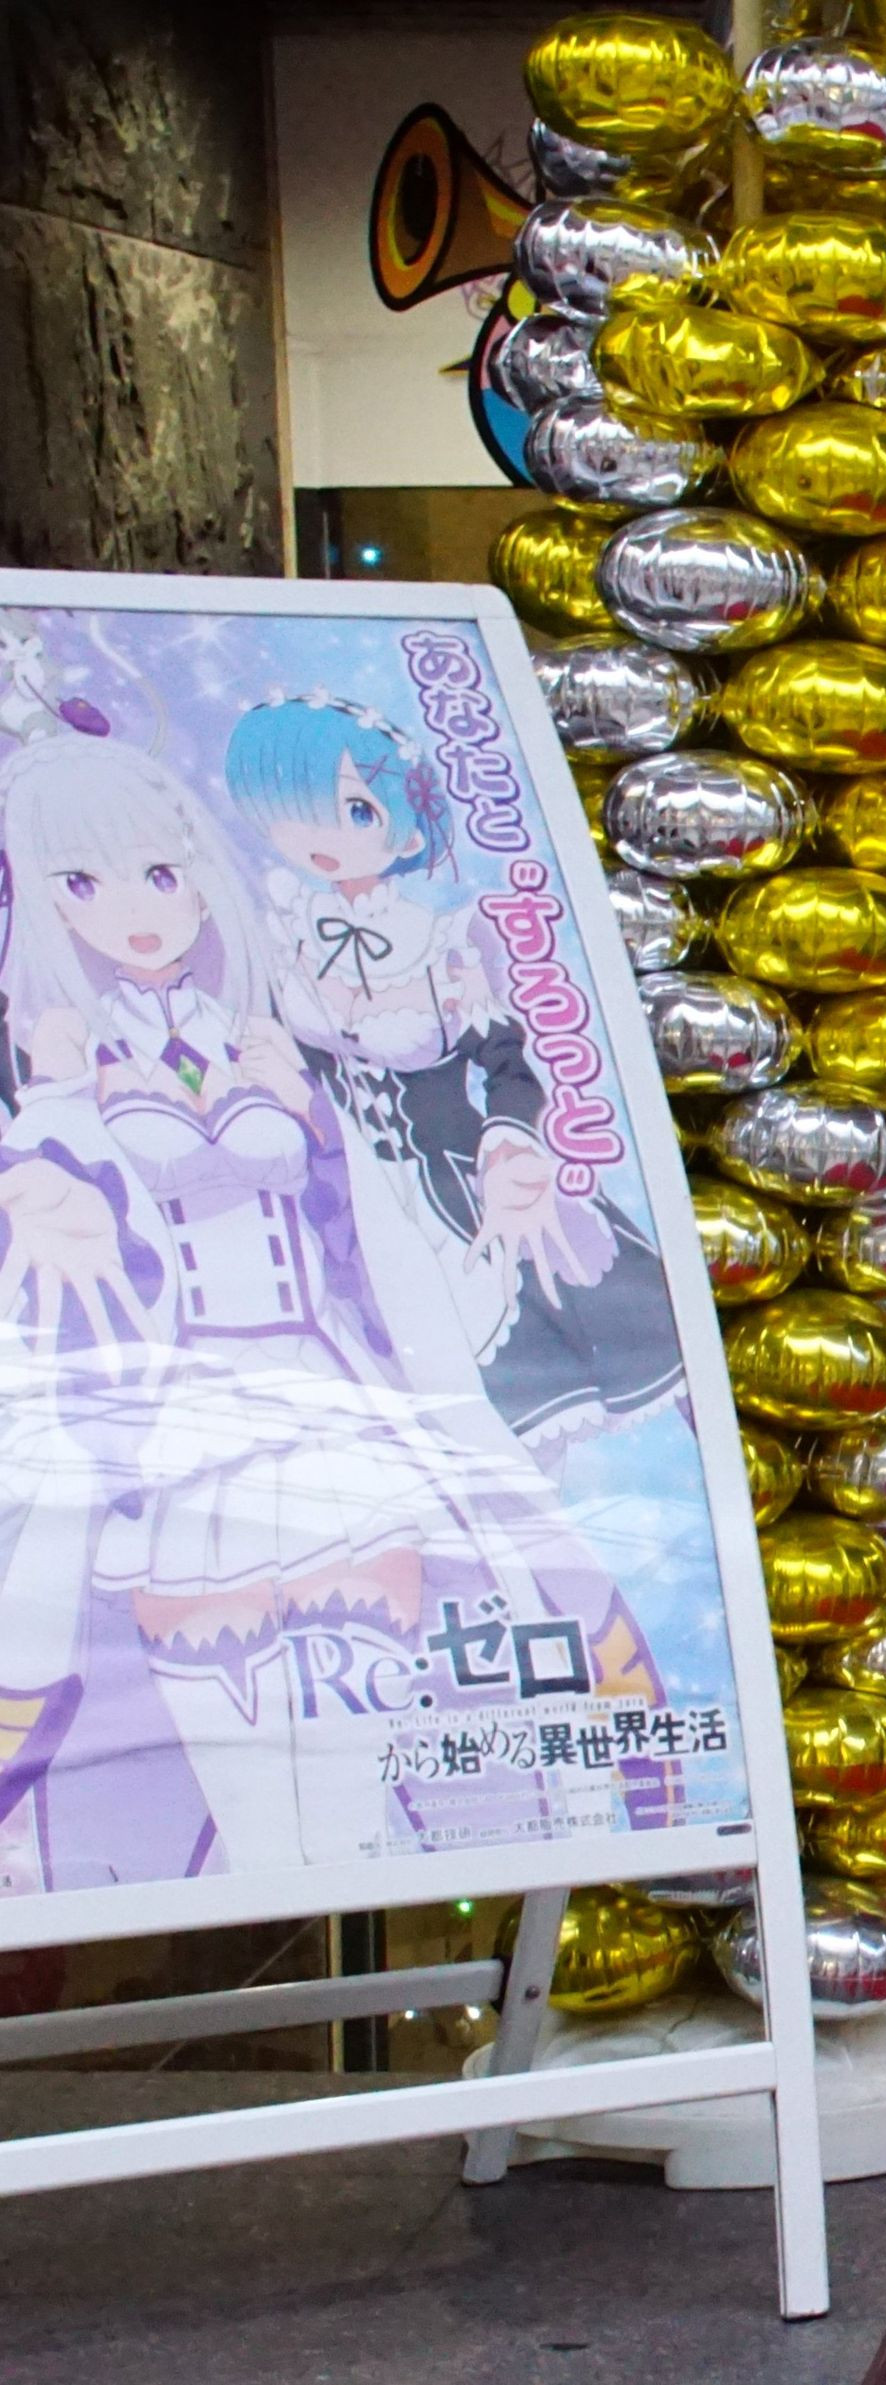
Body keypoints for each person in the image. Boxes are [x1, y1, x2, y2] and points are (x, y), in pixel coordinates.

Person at [0, 724, 664, 1883]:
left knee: (388, 1687)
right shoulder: (56, 1064)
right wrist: (54, 1133)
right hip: (178, 1411)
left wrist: (462, 1156)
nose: (138, 910)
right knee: (209, 1707)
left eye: (159, 872)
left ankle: (528, 1824)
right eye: (84, 884)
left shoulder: (265, 1033)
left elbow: (367, 1217)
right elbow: (62, 1229)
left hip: (326, 1380)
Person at [221, 695, 680, 1455]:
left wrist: (507, 1142)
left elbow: (509, 1065)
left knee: (544, 1367)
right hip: (347, 1191)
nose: (321, 837)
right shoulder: (283, 931)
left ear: (405, 822)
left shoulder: (442, 939)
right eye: (295, 812)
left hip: (463, 1183)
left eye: (356, 812)